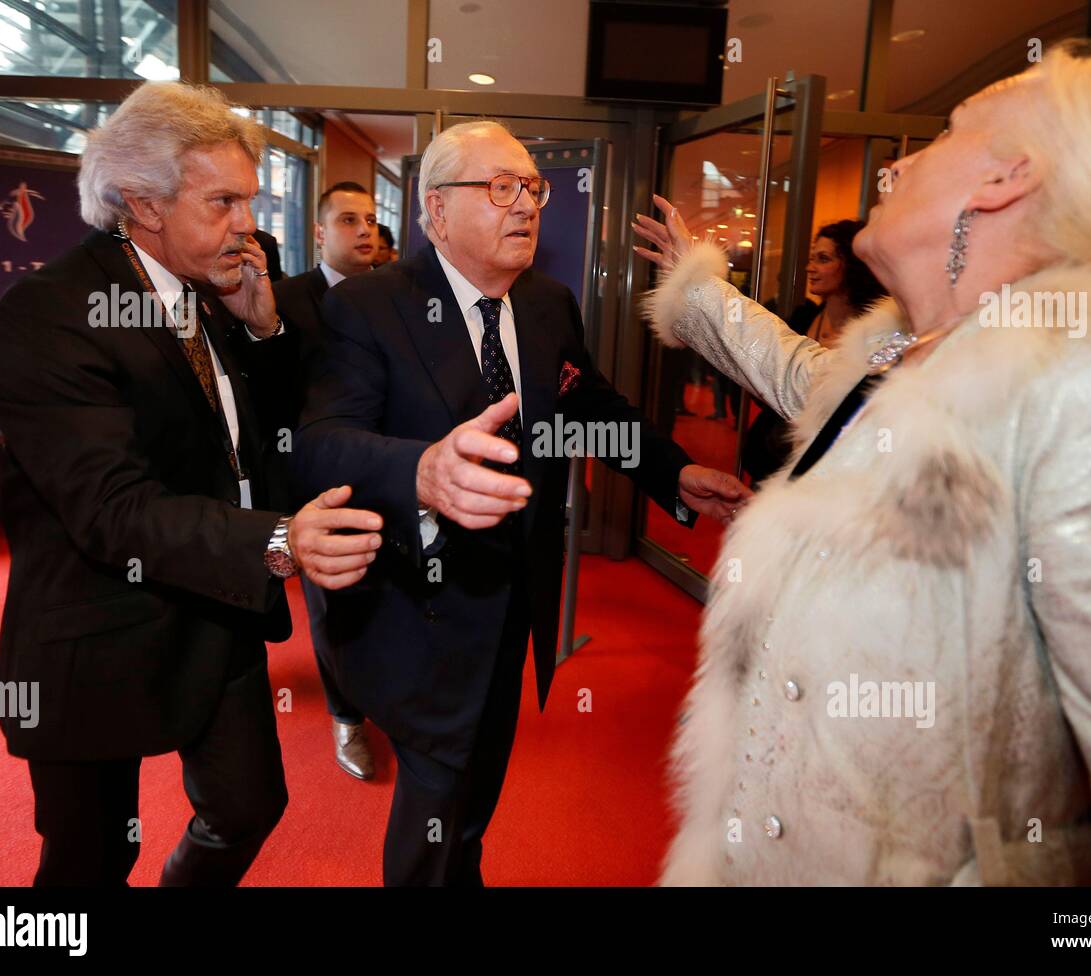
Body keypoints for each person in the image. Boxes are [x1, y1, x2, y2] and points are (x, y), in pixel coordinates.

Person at [634, 42, 1091, 884]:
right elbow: (798, 371)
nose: (904, 160)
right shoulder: (899, 357)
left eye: (946, 133)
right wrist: (698, 290)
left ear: (1005, 181)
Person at [295, 120, 752, 886]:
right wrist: (422, 471)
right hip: (421, 609)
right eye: (499, 188)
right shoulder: (371, 307)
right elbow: (321, 441)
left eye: (533, 188)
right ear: (435, 211)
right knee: (438, 804)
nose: (526, 206)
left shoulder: (546, 303)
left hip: (515, 602)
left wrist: (670, 473)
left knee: (473, 799)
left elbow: (586, 408)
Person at [0, 81, 382, 886]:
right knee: (93, 856)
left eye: (250, 198)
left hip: (213, 610)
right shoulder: (49, 314)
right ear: (142, 204)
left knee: (246, 807)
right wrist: (276, 541)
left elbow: (246, 439)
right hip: (96, 631)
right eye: (224, 200)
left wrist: (264, 330)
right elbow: (111, 510)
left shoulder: (205, 290)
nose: (248, 223)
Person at [273, 181, 381, 780]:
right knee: (334, 604)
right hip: (316, 481)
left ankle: (387, 698)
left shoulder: (396, 297)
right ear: (318, 232)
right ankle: (348, 718)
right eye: (347, 220)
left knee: (390, 597)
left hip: (387, 472)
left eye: (369, 219)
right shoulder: (283, 300)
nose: (365, 230)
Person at [742, 219, 886, 483]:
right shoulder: (802, 316)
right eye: (811, 258)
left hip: (825, 470)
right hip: (770, 458)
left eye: (823, 259)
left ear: (852, 266)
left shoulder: (871, 332)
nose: (810, 268)